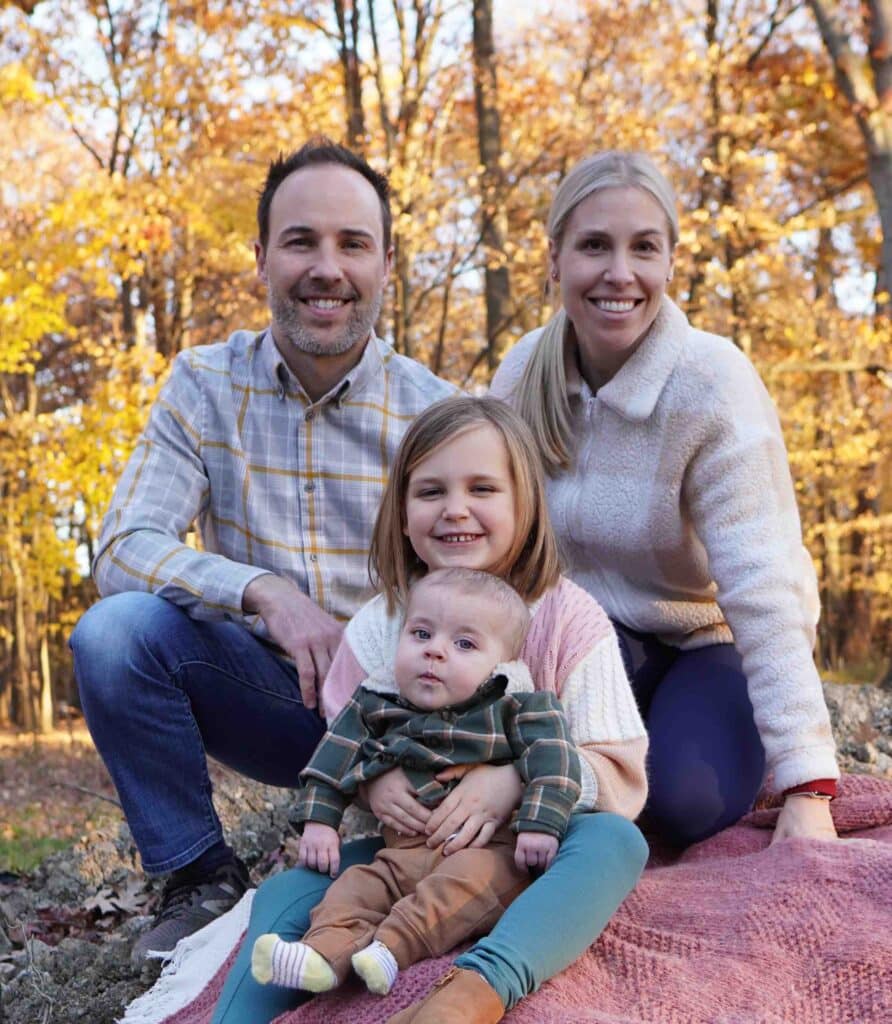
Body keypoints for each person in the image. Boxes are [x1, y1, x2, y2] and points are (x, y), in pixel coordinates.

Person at [68, 138, 454, 963]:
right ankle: (199, 878)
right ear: (261, 258)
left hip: (406, 710)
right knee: (113, 633)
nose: (327, 268)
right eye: (300, 241)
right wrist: (262, 591)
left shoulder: (438, 412)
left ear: (386, 261)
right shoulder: (205, 385)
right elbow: (123, 547)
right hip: (267, 696)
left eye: (353, 244)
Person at [211, 395, 649, 1024]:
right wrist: (374, 780)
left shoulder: (566, 618)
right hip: (404, 853)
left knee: (615, 841)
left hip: (526, 849)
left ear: (524, 506)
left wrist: (514, 782)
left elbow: (622, 778)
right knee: (287, 893)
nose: (456, 510)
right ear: (403, 512)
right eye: (431, 491)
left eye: (483, 488)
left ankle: (476, 991)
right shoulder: (378, 628)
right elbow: (344, 748)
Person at [490, 150, 840, 849]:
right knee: (505, 762)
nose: (620, 274)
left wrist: (808, 784)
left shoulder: (712, 383)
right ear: (554, 259)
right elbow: (488, 536)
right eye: (594, 246)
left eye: (643, 248)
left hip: (711, 635)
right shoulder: (524, 370)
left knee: (682, 803)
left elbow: (763, 583)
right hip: (590, 637)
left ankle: (713, 741)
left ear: (671, 262)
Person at [250, 567, 582, 999]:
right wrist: (319, 820)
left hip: (485, 849)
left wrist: (541, 822)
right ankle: (322, 955)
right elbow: (332, 759)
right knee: (353, 887)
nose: (435, 652)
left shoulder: (518, 706)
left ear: (502, 663)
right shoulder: (376, 703)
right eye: (421, 634)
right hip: (400, 853)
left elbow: (556, 760)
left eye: (464, 644)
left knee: (468, 886)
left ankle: (392, 947)